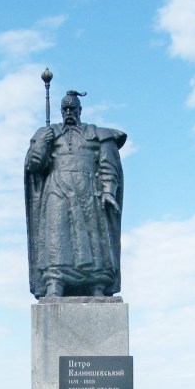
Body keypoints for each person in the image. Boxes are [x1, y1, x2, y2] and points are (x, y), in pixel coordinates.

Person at [24, 90, 127, 298]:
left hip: (88, 189)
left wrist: (108, 191)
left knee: (94, 238)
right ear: (61, 111)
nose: (69, 112)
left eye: (73, 108)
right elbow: (33, 165)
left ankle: (97, 284)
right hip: (57, 189)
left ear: (80, 110)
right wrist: (42, 143)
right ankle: (55, 282)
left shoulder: (97, 133)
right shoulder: (48, 133)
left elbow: (108, 165)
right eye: (65, 109)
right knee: (56, 237)